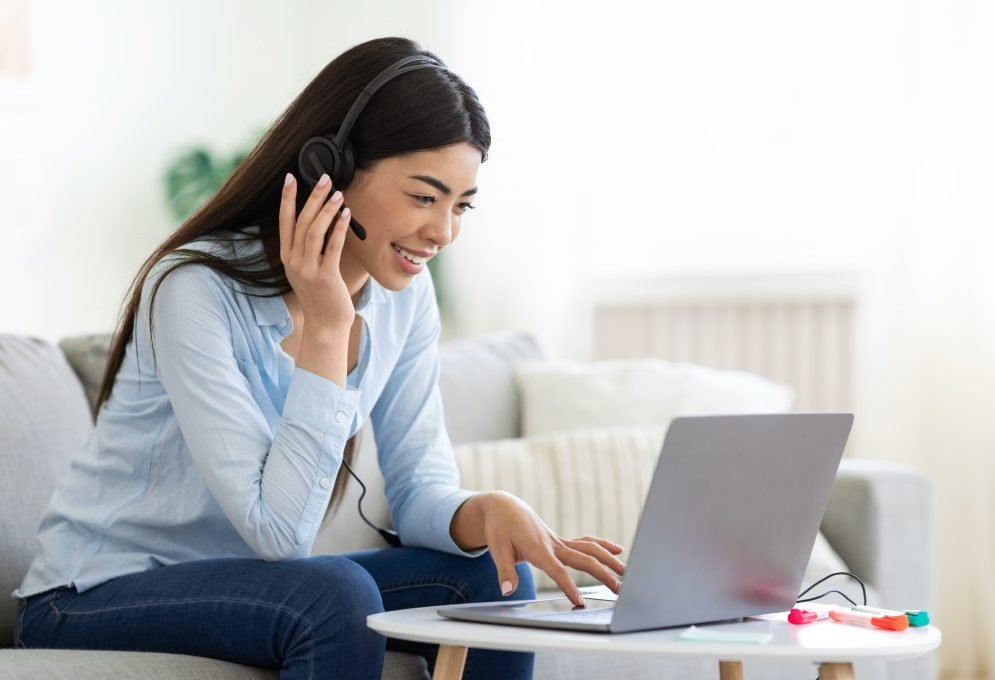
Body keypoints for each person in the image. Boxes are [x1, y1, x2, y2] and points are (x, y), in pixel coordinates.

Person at [11, 37, 626, 680]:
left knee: (491, 578)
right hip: (90, 594)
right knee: (333, 597)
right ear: (332, 165)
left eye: (461, 205)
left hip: (244, 584)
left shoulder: (405, 300)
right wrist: (329, 329)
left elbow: (419, 488)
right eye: (424, 197)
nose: (444, 232)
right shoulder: (194, 290)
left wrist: (485, 511)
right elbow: (279, 536)